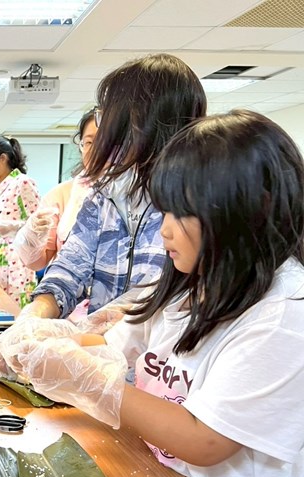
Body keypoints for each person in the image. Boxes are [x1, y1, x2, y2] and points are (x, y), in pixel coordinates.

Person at [0, 110, 304, 477]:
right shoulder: (189, 285)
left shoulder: (282, 314)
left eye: (181, 214)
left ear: (243, 210)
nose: (165, 232)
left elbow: (205, 441)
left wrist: (84, 378)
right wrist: (55, 340)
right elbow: (119, 344)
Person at [23, 54, 207, 321]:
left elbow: (169, 299)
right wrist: (36, 313)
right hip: (98, 351)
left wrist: (87, 338)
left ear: (142, 122)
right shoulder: (106, 192)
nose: (103, 126)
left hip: (159, 357)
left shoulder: (194, 199)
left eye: (106, 114)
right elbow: (72, 264)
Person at [14, 108, 99, 271]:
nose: (98, 149)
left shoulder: (138, 193)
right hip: (68, 291)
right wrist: (32, 236)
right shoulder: (61, 195)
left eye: (107, 141)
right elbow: (36, 262)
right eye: (89, 142)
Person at [0, 135, 41, 306]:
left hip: (16, 267)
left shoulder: (22, 183)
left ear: (3, 158)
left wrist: (16, 227)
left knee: (14, 314)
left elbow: (41, 224)